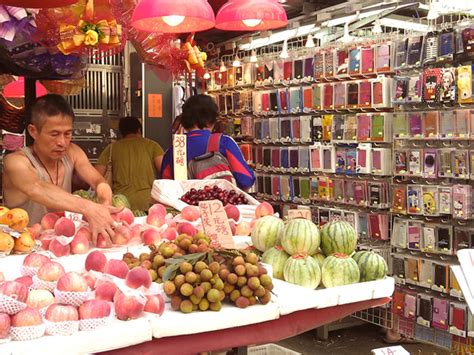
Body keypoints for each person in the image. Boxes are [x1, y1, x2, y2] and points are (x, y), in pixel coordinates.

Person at [2, 94, 118, 246]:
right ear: (33, 131)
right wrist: (89, 207)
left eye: (67, 134)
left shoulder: (72, 152)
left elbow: (98, 180)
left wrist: (105, 202)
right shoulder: (16, 162)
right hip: (23, 252)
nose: (62, 142)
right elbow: (36, 188)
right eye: (54, 134)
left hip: (63, 248)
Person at [161, 94, 255, 190]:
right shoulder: (223, 142)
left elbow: (166, 188)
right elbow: (246, 179)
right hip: (221, 203)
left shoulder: (172, 151)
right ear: (212, 119)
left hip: (185, 203)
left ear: (184, 120)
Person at [95, 116, 164, 211]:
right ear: (139, 130)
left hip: (120, 204)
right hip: (148, 202)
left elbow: (96, 175)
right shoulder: (153, 146)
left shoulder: (112, 148)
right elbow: (165, 171)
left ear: (122, 132)